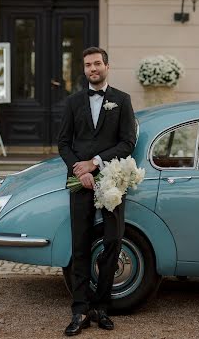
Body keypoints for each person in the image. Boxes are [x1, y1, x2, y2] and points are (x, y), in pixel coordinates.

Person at [58, 46, 136, 336]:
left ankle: (101, 306)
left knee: (113, 242)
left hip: (112, 181)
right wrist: (79, 170)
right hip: (80, 183)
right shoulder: (72, 102)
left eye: (97, 64)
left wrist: (95, 164)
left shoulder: (122, 100)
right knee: (79, 245)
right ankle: (79, 310)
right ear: (84, 69)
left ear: (107, 66)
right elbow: (63, 143)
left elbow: (128, 142)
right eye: (88, 64)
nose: (92, 68)